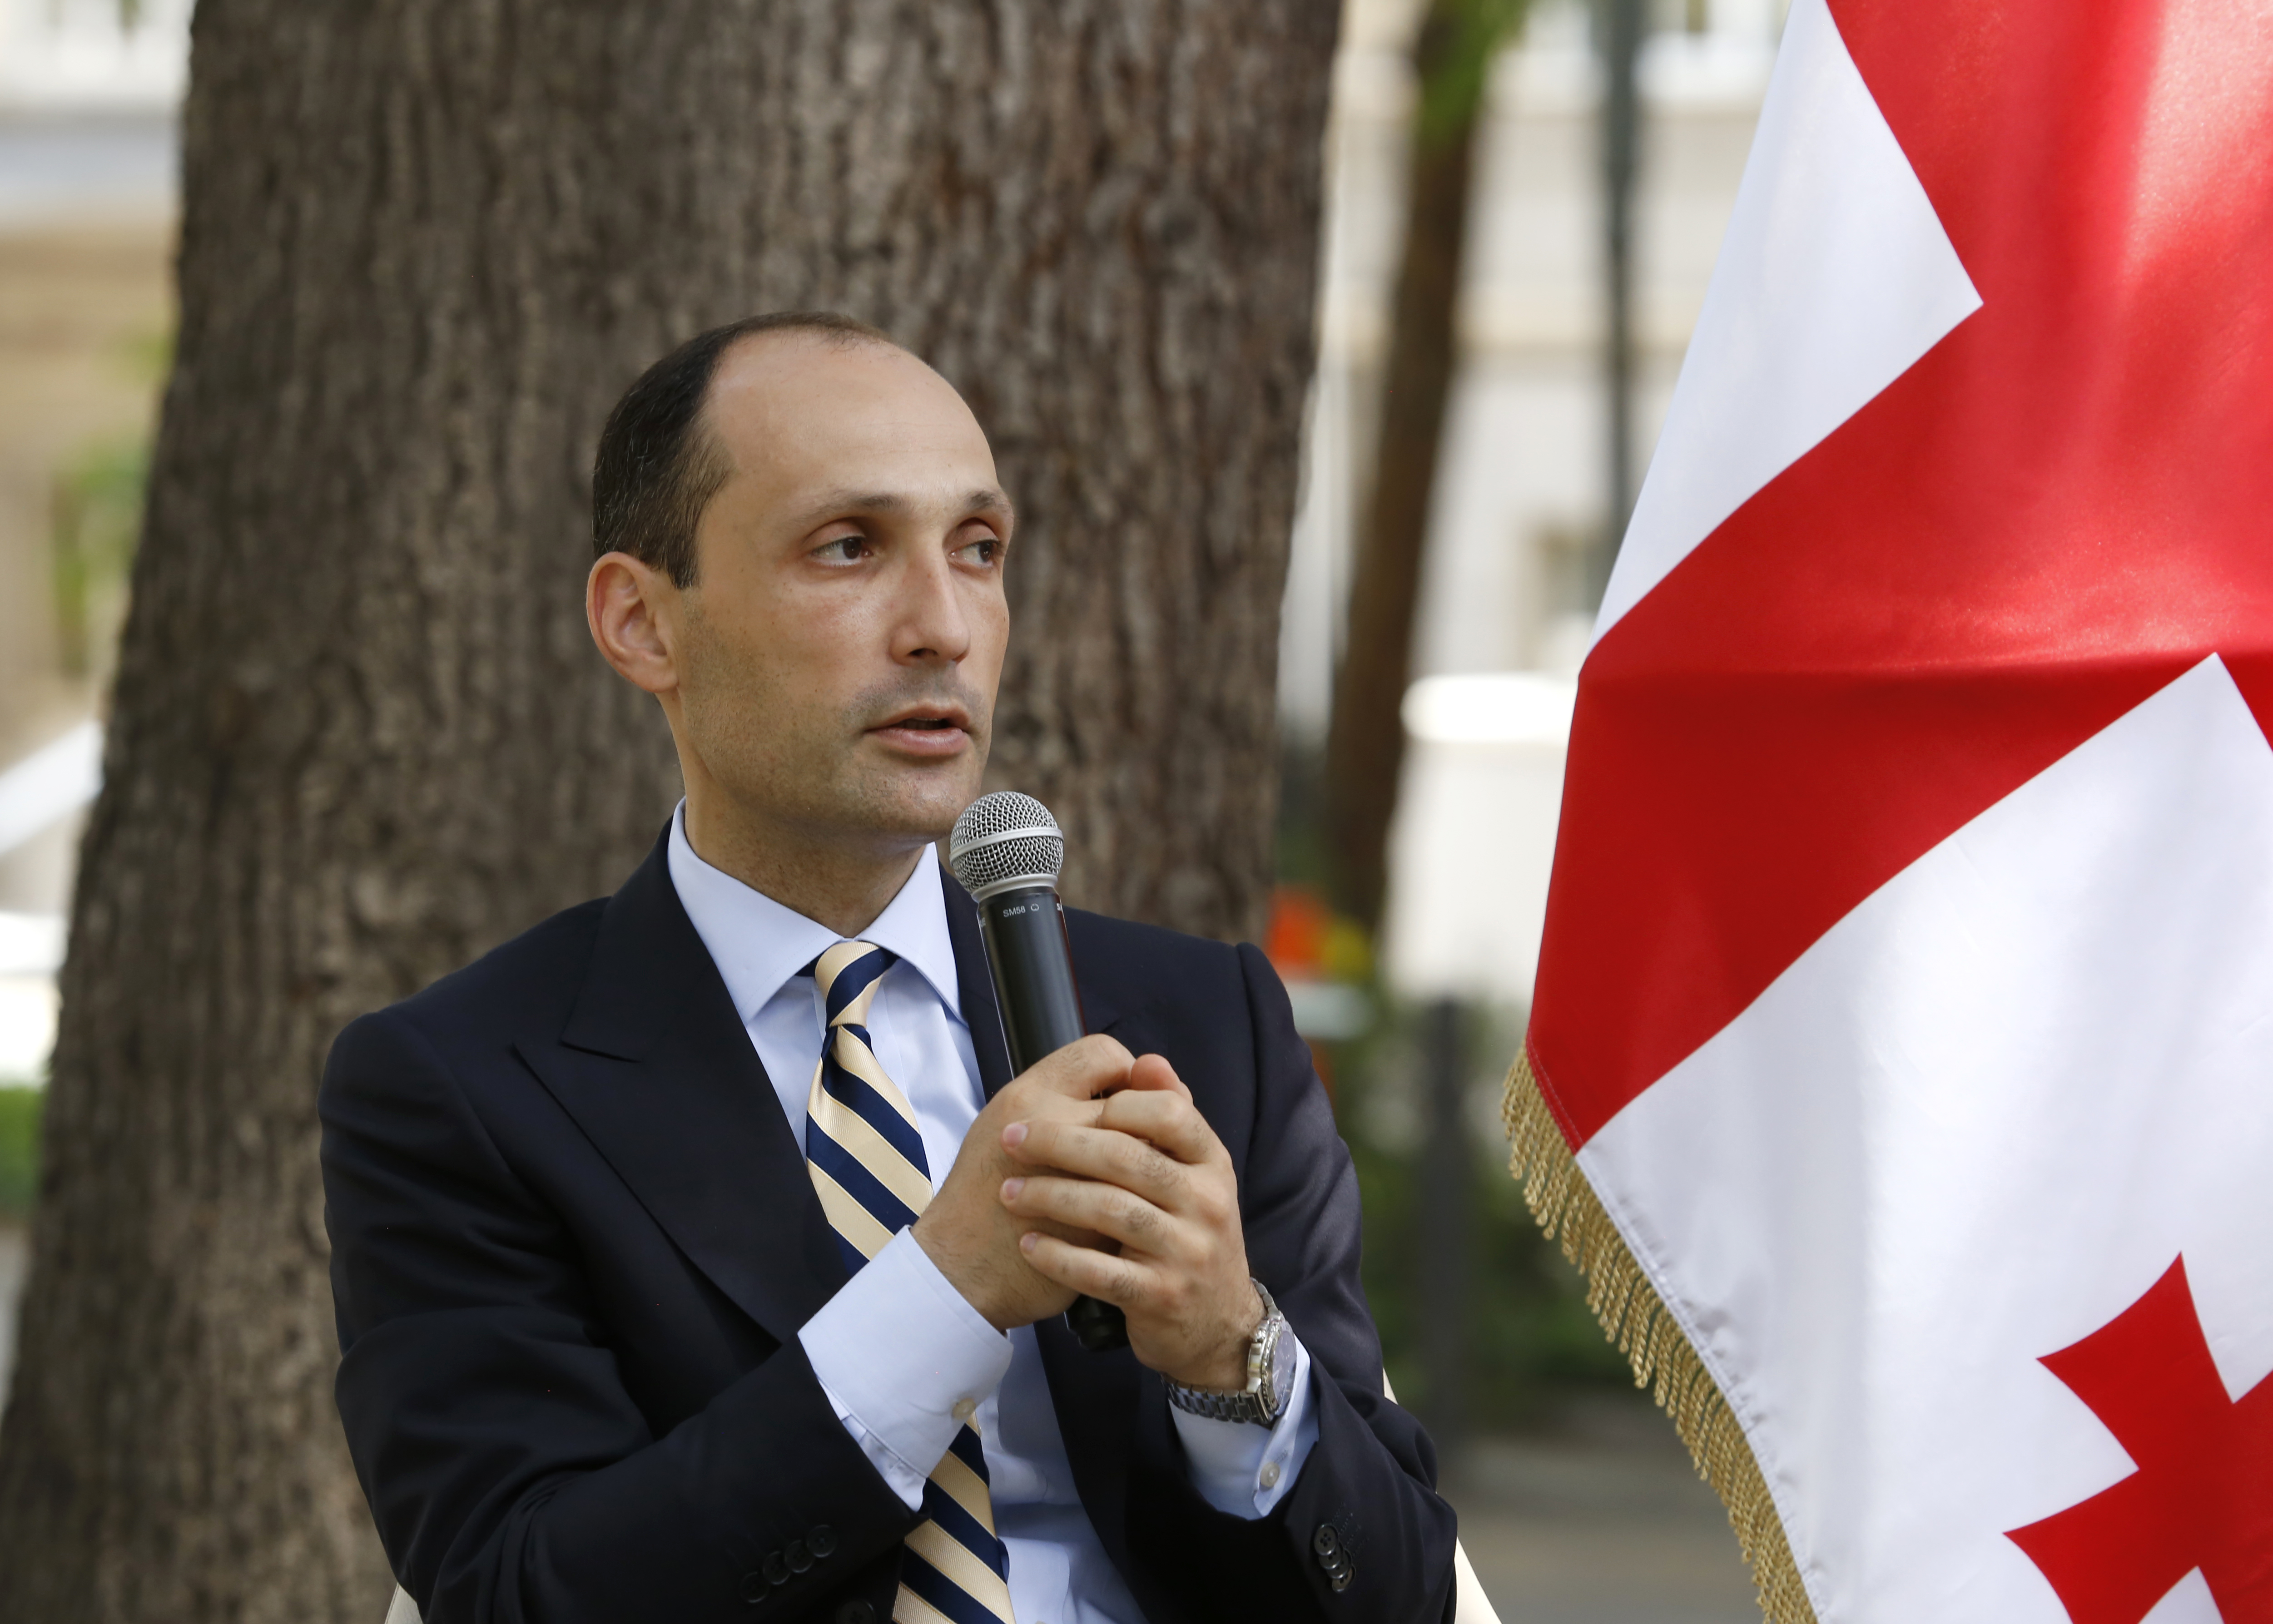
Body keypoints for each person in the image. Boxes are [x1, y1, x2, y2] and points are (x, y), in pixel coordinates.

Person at [321, 312, 1459, 1624]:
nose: (943, 627)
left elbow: (1403, 1596)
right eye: (849, 547)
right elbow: (517, 1595)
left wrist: (1233, 1360)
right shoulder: (465, 1086)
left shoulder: (1205, 1024)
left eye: (978, 549)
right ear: (641, 623)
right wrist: (947, 1291)